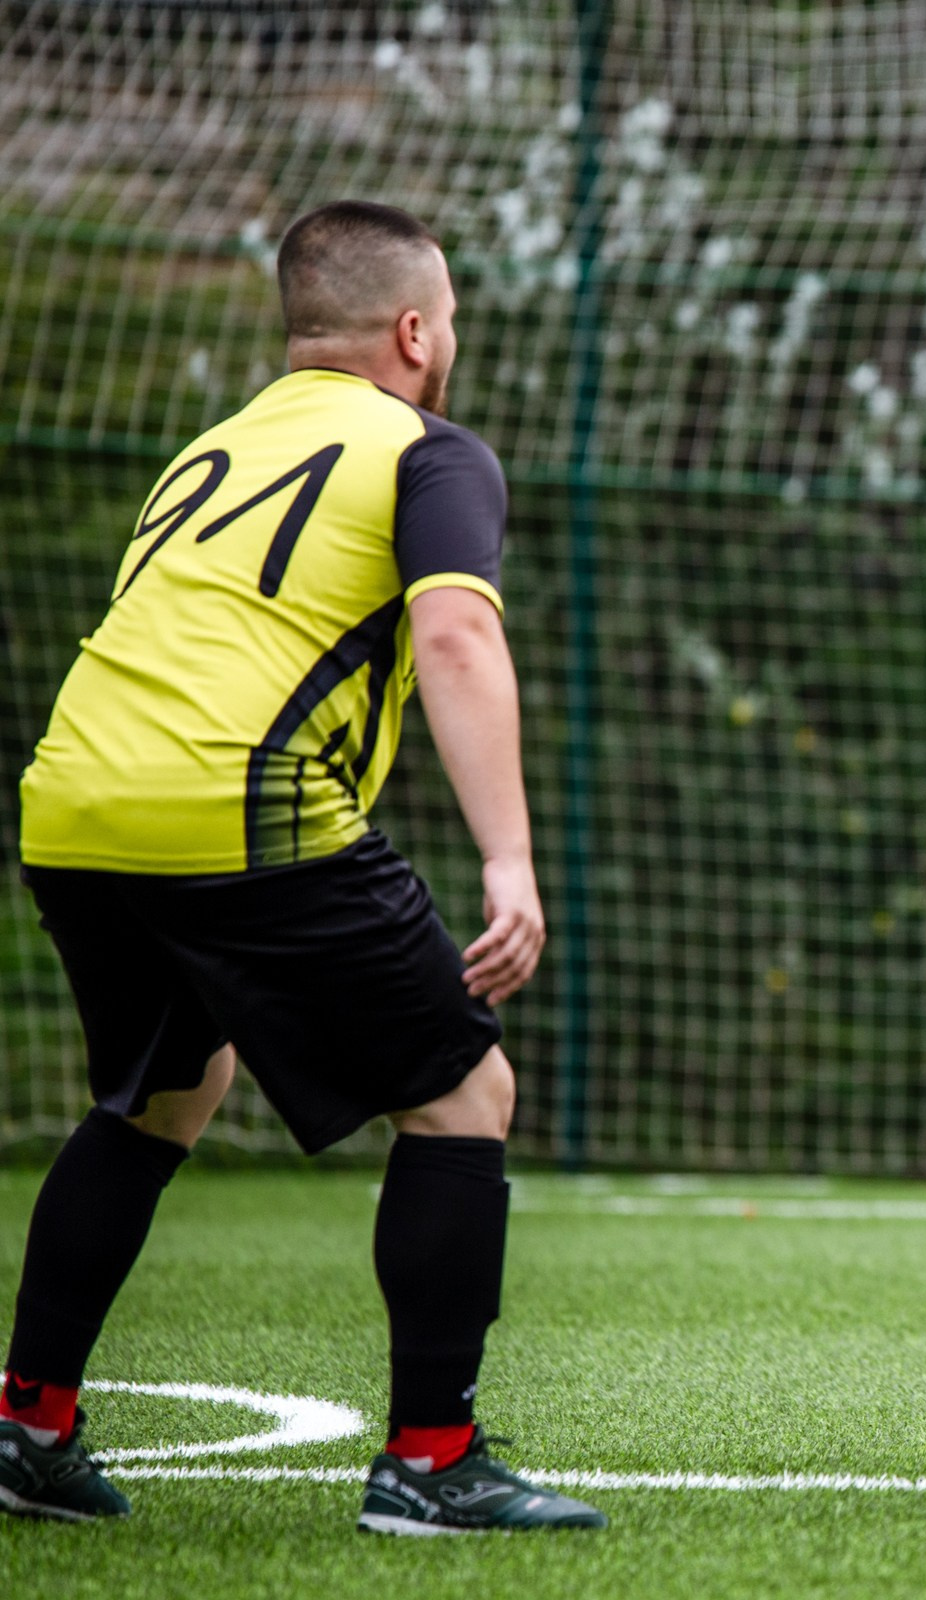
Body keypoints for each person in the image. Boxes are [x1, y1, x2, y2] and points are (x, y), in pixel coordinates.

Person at [1, 200, 604, 1533]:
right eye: (448, 317)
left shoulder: (208, 451)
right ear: (412, 331)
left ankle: (28, 1424)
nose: (452, 340)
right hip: (244, 807)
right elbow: (454, 640)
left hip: (74, 803)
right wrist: (512, 861)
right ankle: (433, 1463)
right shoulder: (429, 451)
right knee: (464, 1091)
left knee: (162, 1093)